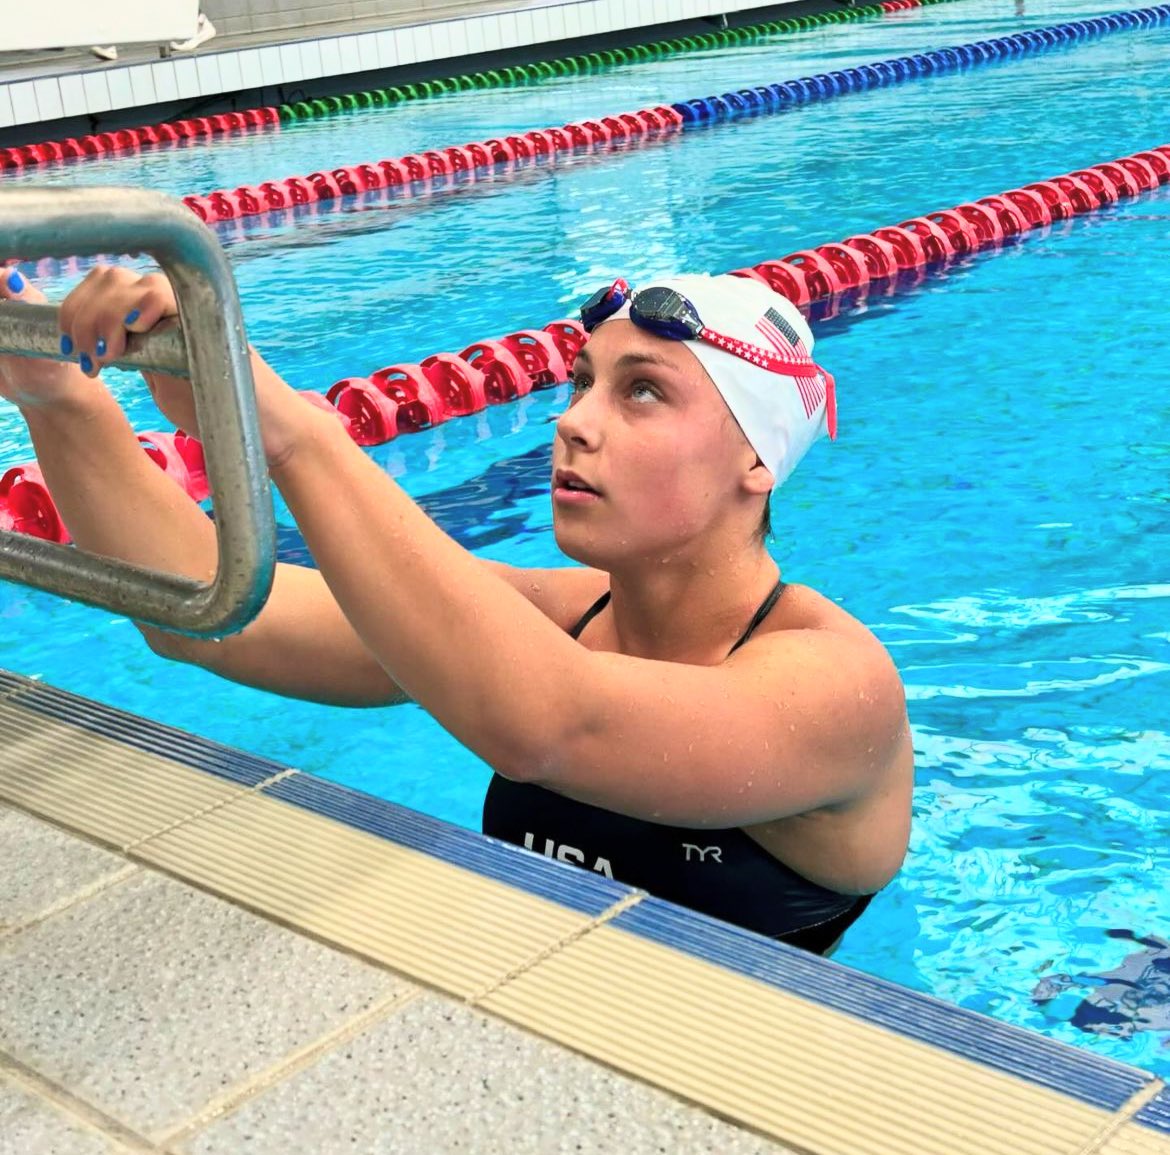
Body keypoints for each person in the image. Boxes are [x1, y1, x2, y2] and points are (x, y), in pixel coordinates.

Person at [0, 264, 913, 955]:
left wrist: (288, 432)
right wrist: (57, 395)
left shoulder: (839, 685)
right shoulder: (554, 617)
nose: (573, 421)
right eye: (582, 382)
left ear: (758, 460)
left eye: (643, 391)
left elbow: (548, 726)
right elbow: (216, 613)